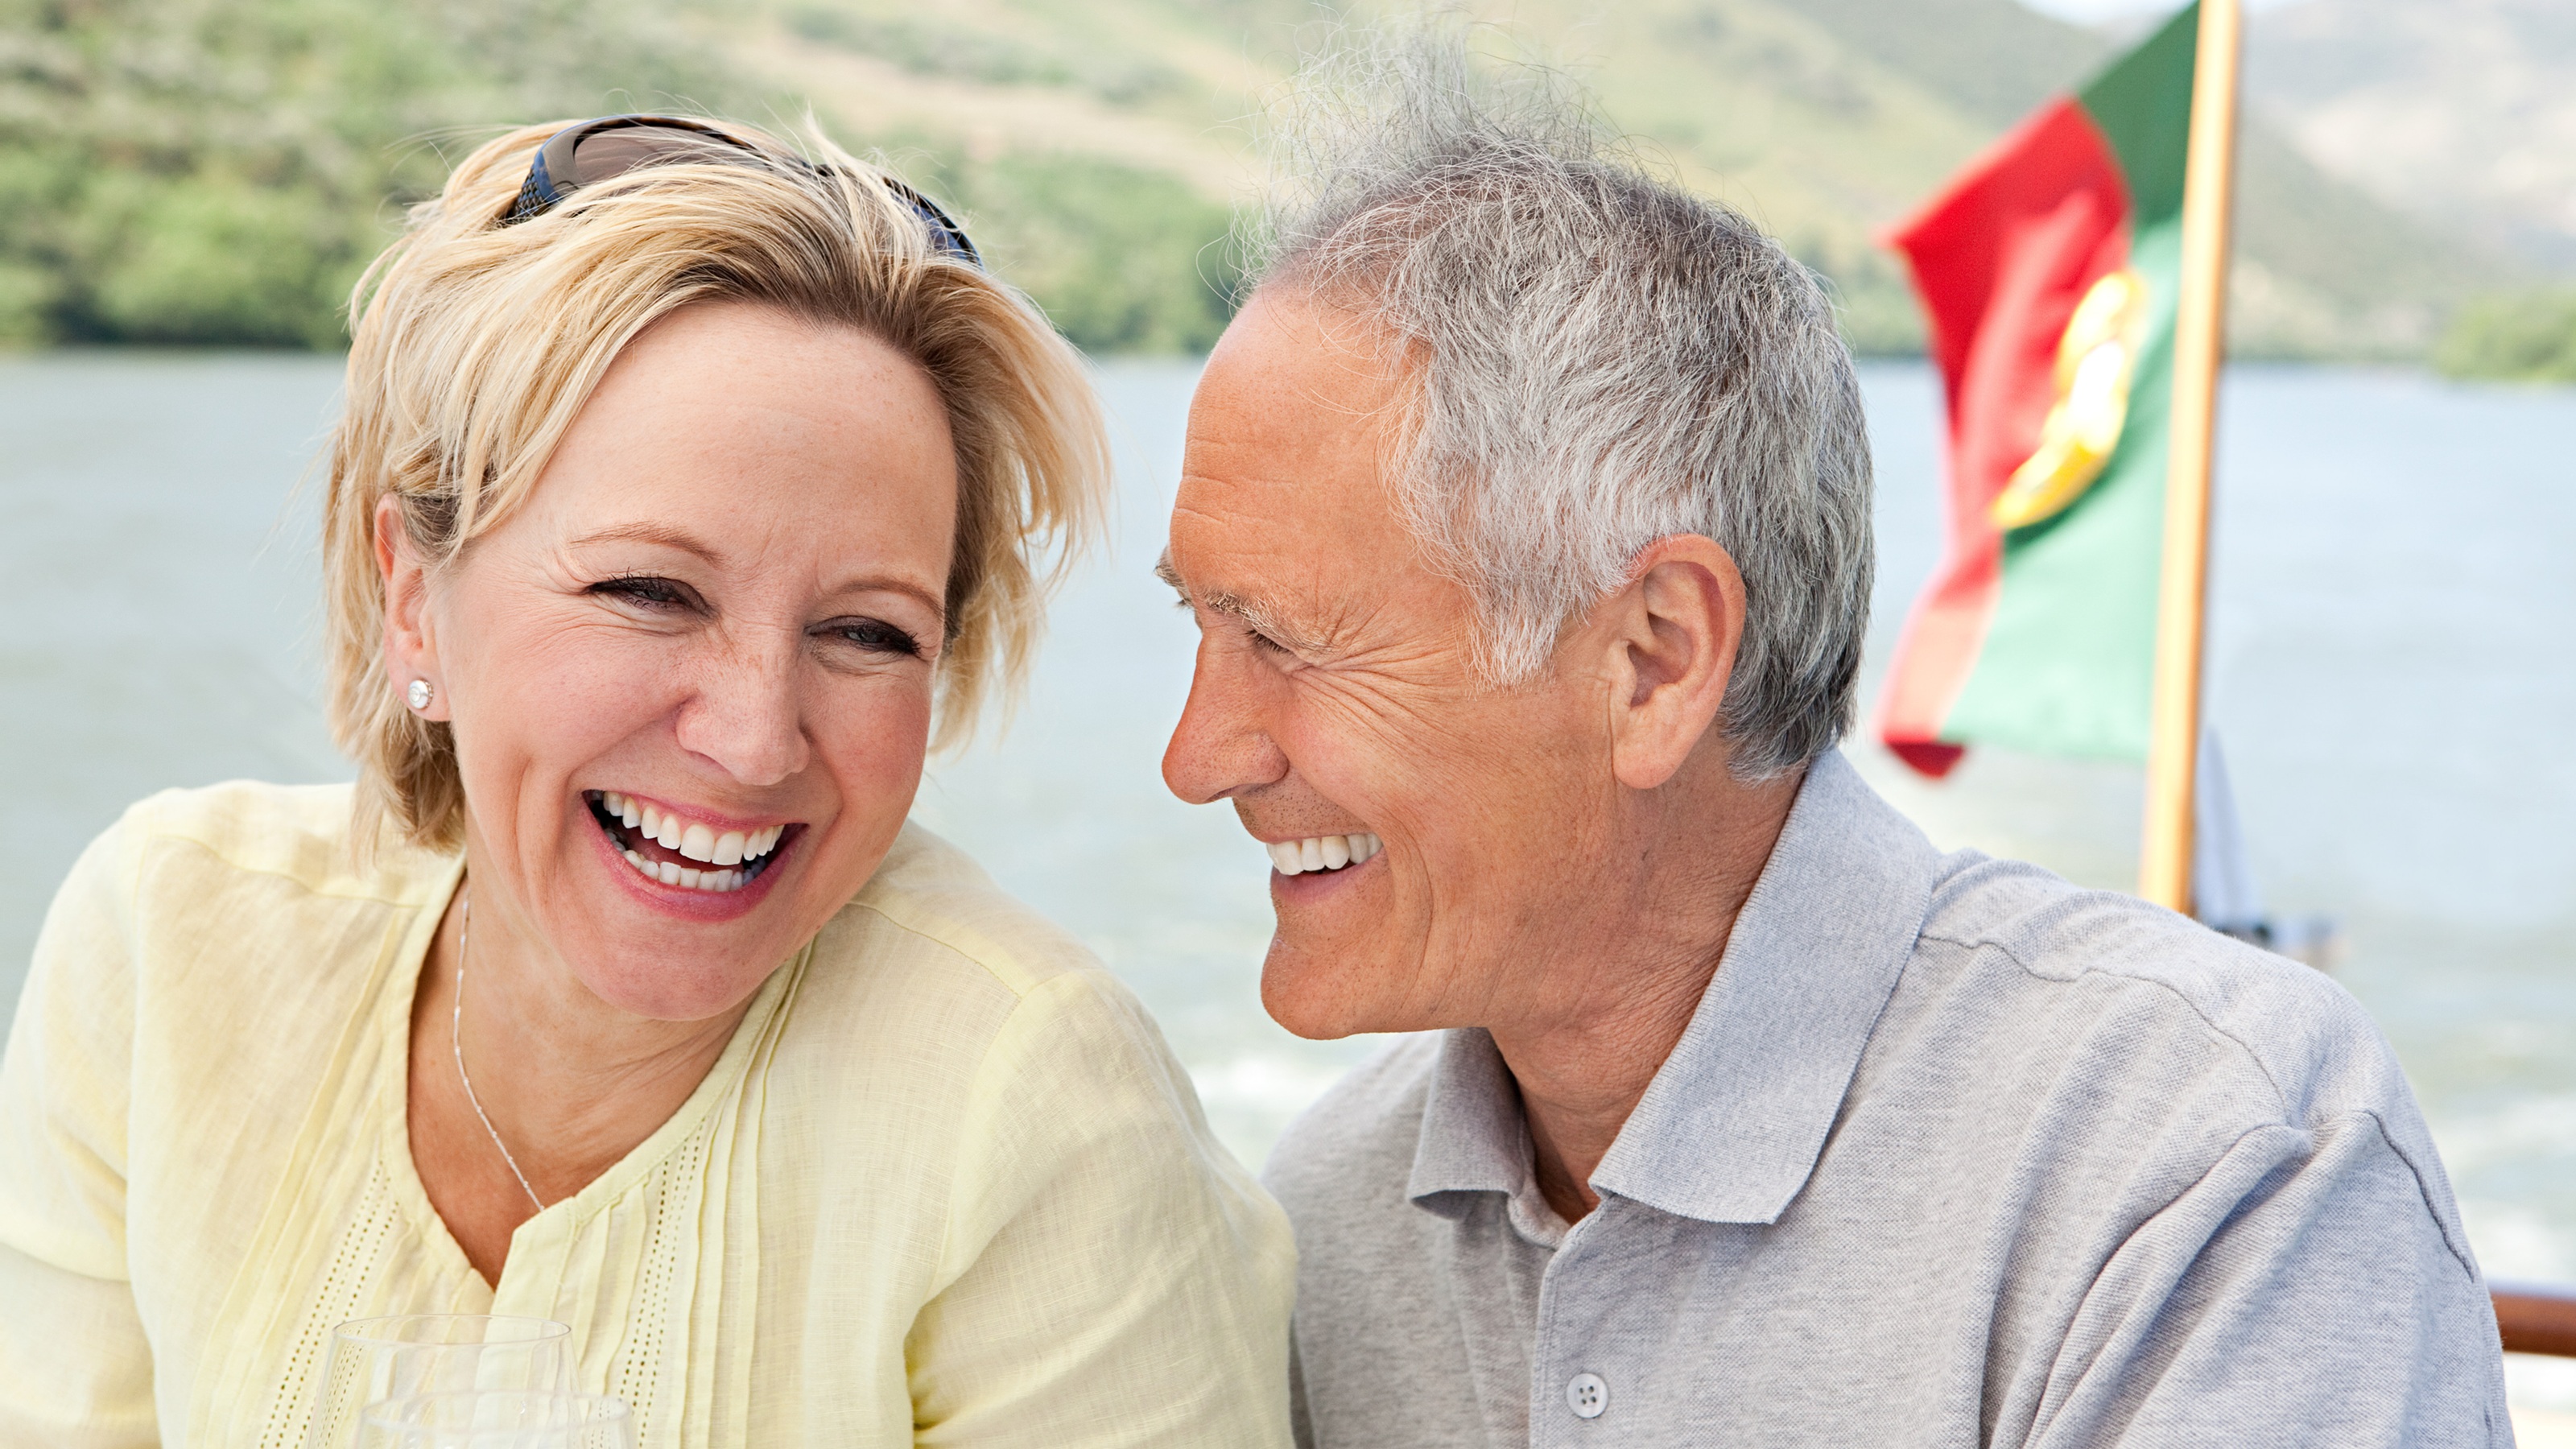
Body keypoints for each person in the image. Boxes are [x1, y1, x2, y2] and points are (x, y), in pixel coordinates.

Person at [1155, 38, 2511, 1449]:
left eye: (1285, 638)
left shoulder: (2212, 1159)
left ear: (1655, 660)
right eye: (1197, 622)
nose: (1198, 754)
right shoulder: (1329, 1214)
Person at [0, 115, 1293, 1447]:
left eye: (866, 633)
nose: (754, 739)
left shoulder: (1030, 1104)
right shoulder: (167, 944)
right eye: (650, 591)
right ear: (413, 596)